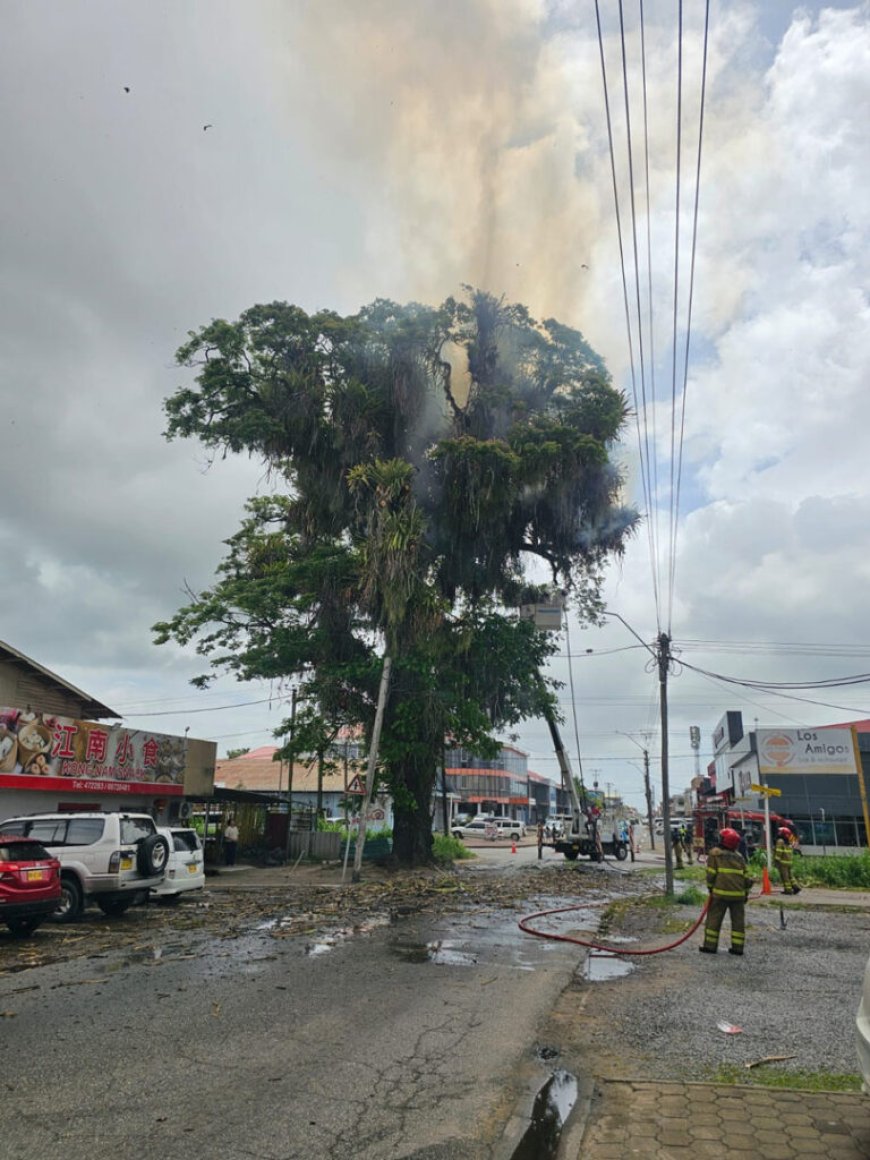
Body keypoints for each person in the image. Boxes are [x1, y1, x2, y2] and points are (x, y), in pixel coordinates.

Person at [700, 827, 754, 955]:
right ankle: (738, 948)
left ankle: (710, 946)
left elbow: (711, 874)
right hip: (738, 896)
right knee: (738, 922)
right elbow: (746, 879)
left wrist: (710, 888)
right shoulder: (739, 857)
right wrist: (746, 893)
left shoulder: (715, 854)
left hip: (720, 894)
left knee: (714, 920)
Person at [774, 826, 800, 894]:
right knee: (790, 876)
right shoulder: (789, 842)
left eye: (780, 832)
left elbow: (779, 852)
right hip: (789, 862)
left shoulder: (780, 841)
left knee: (785, 877)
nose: (778, 834)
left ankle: (788, 890)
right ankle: (796, 887)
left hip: (782, 863)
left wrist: (776, 860)